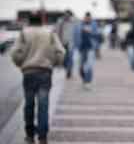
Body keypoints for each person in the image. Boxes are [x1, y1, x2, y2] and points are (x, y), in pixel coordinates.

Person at [10, 11, 65, 144]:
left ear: (29, 21)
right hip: (45, 72)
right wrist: (55, 63)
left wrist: (21, 63)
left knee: (29, 104)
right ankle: (42, 137)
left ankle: (29, 135)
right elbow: (61, 51)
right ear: (42, 21)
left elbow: (14, 53)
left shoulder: (24, 33)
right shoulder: (49, 33)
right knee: (43, 105)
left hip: (29, 72)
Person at [74, 12, 99, 90]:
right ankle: (84, 80)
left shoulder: (94, 25)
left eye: (89, 18)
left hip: (91, 48)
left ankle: (87, 82)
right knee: (80, 67)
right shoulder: (79, 25)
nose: (87, 19)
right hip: (81, 48)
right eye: (86, 18)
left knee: (89, 66)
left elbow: (97, 36)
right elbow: (75, 35)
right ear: (84, 17)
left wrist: (90, 32)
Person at [55, 10, 78, 79]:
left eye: (68, 15)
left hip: (70, 43)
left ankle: (69, 72)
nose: (66, 16)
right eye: (65, 15)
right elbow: (57, 31)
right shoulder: (60, 21)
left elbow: (77, 30)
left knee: (70, 58)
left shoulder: (73, 21)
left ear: (70, 15)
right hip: (62, 42)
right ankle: (66, 68)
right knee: (64, 58)